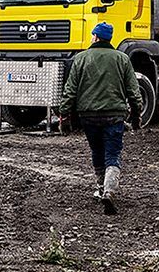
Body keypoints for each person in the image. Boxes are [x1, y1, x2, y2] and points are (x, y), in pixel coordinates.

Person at [59, 21, 142, 215]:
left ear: (96, 37)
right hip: (114, 115)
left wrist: (64, 115)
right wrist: (137, 114)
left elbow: (70, 90)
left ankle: (100, 187)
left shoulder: (81, 59)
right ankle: (110, 190)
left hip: (88, 116)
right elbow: (133, 90)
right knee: (112, 153)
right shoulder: (122, 59)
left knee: (97, 150)